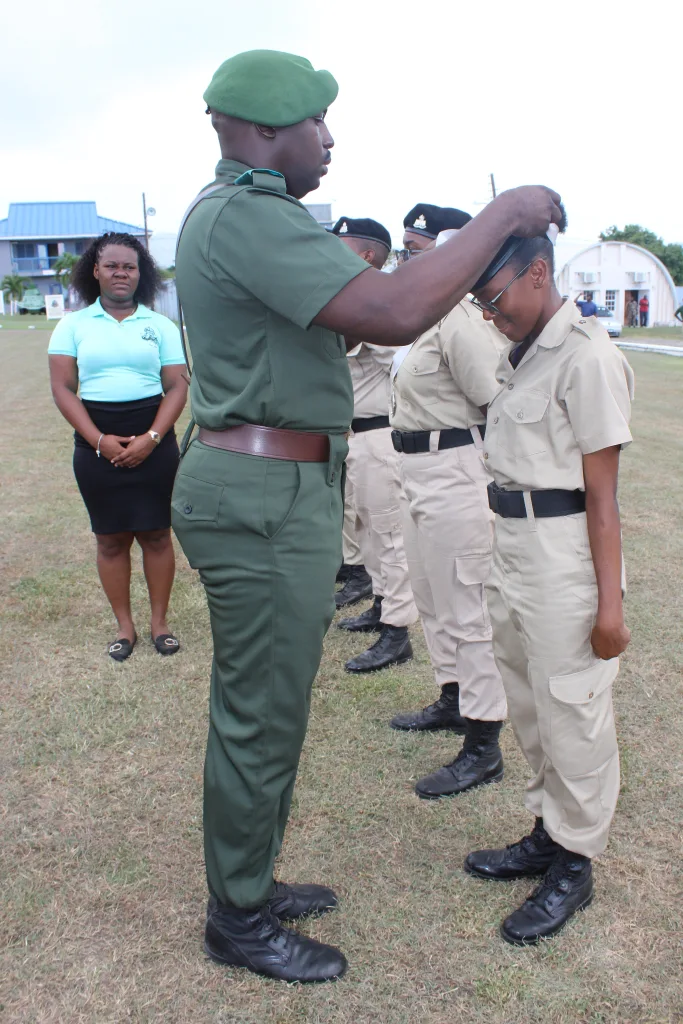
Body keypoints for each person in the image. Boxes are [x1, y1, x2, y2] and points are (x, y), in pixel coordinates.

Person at [171, 47, 563, 984]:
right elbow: (390, 309)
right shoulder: (249, 215)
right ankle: (236, 915)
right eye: (316, 121)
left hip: (274, 484)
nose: (329, 138)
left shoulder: (249, 214)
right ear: (266, 128)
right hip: (262, 492)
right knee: (259, 714)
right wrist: (505, 213)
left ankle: (249, 882)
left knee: (270, 705)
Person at [464, 208, 634, 946]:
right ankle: (547, 828)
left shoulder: (586, 357)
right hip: (512, 546)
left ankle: (575, 861)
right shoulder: (525, 353)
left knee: (573, 708)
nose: (488, 313)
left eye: (493, 298)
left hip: (563, 554)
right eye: (479, 303)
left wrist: (609, 606)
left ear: (538, 272)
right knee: (530, 701)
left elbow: (603, 498)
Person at [389, 206, 509, 798]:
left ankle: (484, 745)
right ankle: (454, 699)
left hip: (456, 470)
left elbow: (498, 404)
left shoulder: (461, 319)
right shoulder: (425, 316)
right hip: (414, 469)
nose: (410, 261)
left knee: (468, 608)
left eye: (421, 252)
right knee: (432, 596)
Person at [48, 233, 188, 661]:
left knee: (157, 535)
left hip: (155, 441)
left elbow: (177, 386)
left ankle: (160, 624)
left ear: (141, 273)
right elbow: (63, 388)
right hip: (96, 443)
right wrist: (98, 441)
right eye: (112, 265)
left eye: (129, 266)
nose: (121, 273)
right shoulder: (73, 325)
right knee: (110, 539)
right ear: (96, 270)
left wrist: (152, 438)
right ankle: (125, 628)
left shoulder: (160, 325)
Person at [331, 215, 419, 671]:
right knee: (367, 532)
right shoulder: (352, 301)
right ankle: (383, 606)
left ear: (368, 256)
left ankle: (397, 633)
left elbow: (401, 361)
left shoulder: (382, 306)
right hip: (356, 438)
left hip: (380, 434)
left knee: (389, 537)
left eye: (342, 246)